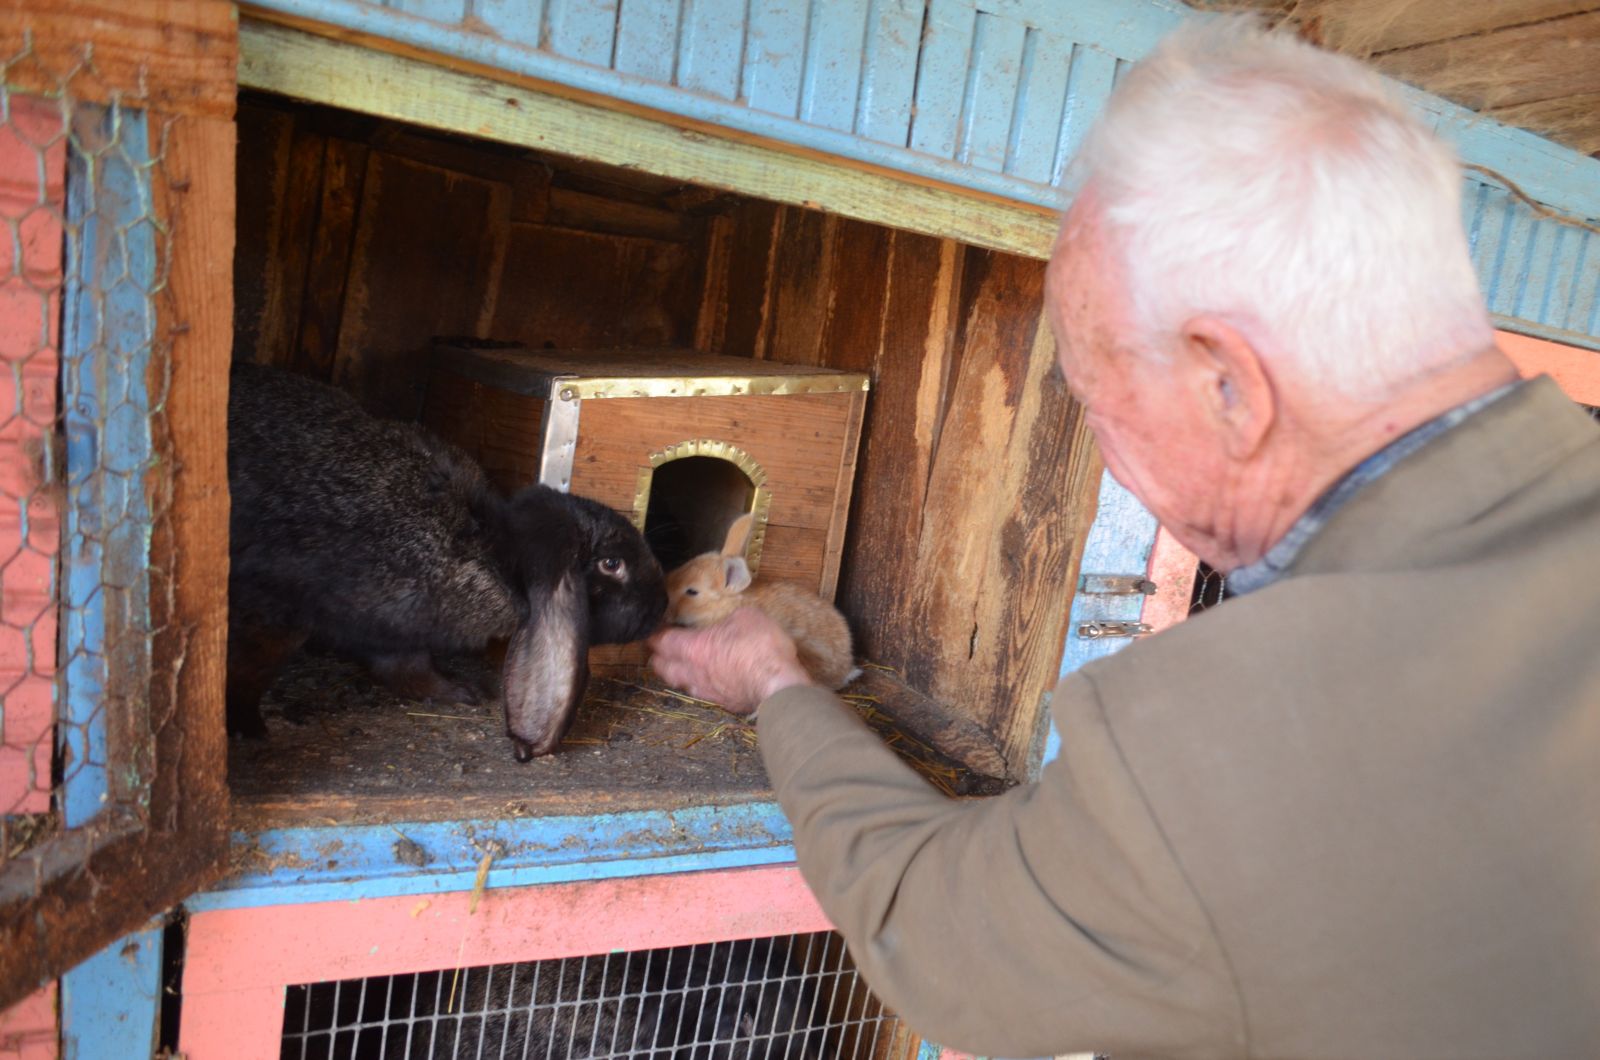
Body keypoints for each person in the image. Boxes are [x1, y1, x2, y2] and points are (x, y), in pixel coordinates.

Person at [649, 16, 1600, 1059]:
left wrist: (779, 689)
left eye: (1097, 402)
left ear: (1227, 382)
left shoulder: (1228, 740)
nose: (1105, 450)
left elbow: (933, 927)